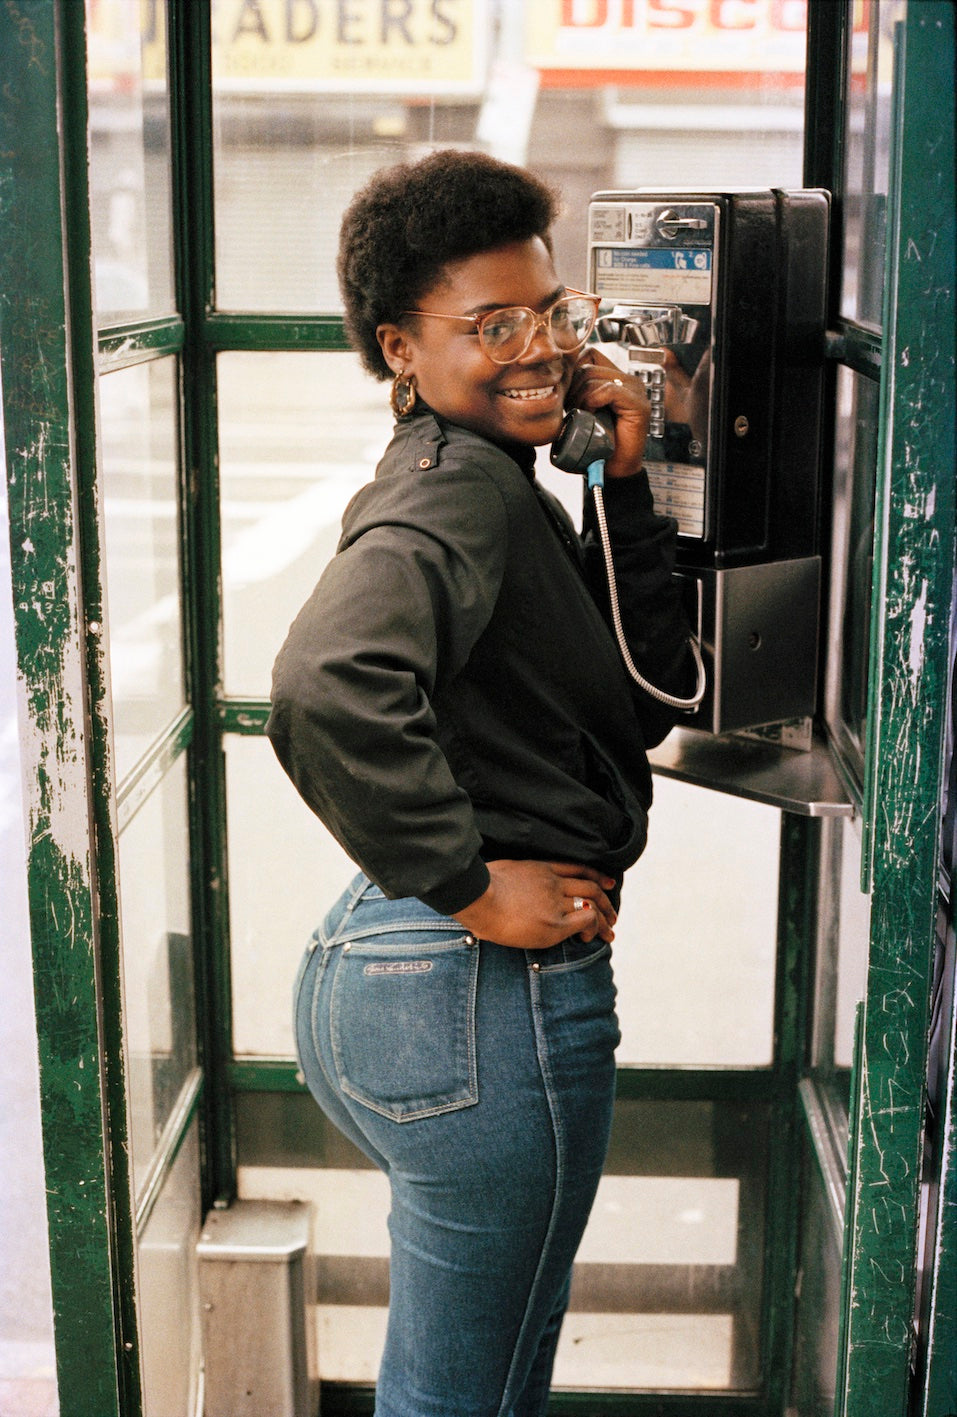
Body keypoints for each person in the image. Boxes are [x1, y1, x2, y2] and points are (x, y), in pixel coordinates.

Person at [267, 148, 697, 1417]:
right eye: (491, 324)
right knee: (471, 1395)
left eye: (553, 312)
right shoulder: (453, 501)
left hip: (403, 976)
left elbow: (648, 690)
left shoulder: (492, 485)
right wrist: (472, 886)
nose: (541, 348)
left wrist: (622, 482)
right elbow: (325, 683)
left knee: (460, 1376)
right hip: (475, 991)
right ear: (401, 348)